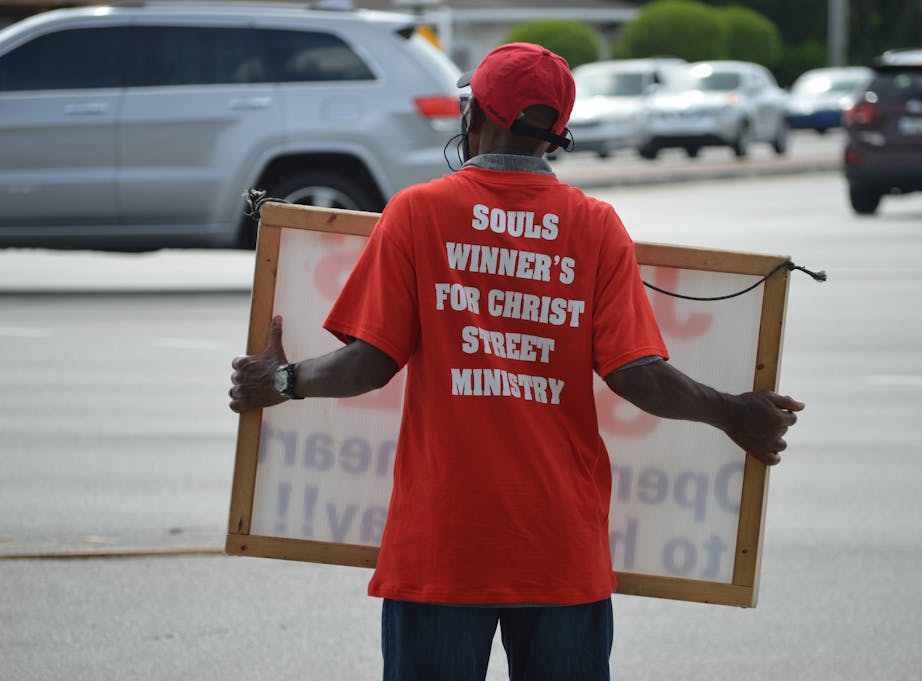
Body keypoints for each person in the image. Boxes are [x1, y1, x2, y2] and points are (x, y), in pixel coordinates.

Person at [229, 42, 804, 681]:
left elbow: (368, 365)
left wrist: (280, 381)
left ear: (475, 115)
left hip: (443, 547)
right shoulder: (595, 225)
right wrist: (733, 413)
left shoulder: (418, 212)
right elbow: (635, 373)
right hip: (559, 547)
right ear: (555, 138)